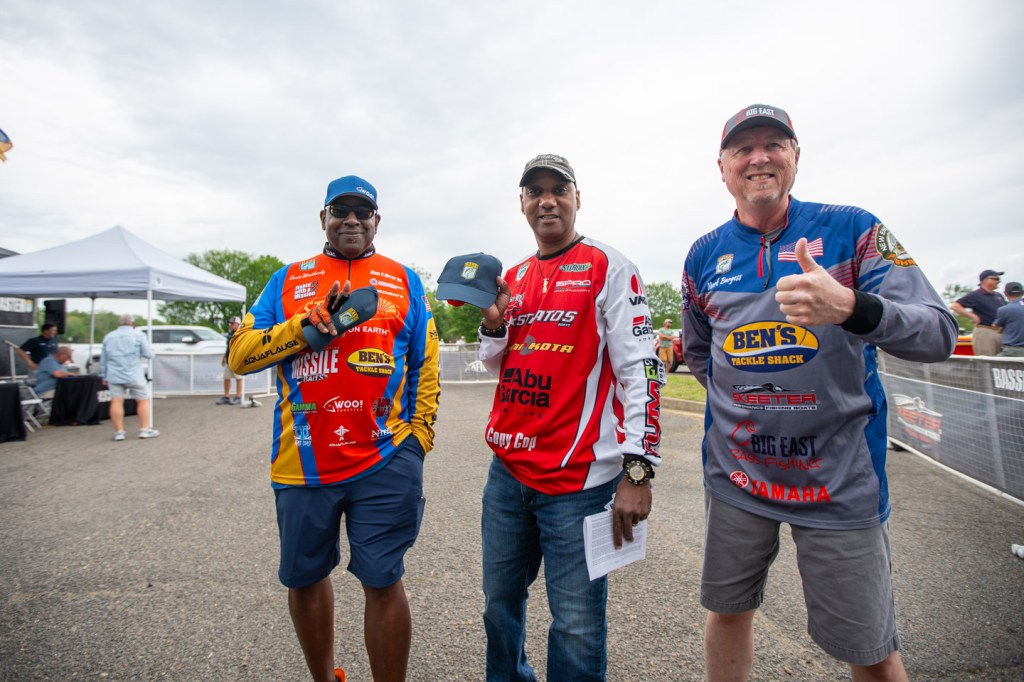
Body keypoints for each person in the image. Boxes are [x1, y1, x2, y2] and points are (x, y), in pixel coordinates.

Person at [682, 104, 957, 682]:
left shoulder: (852, 229)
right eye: (743, 148)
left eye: (773, 144)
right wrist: (757, 401)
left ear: (796, 156)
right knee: (727, 612)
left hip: (839, 482)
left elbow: (939, 333)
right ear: (722, 166)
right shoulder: (704, 254)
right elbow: (702, 355)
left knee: (871, 650)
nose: (759, 157)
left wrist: (854, 308)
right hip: (737, 479)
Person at [228, 175, 440, 682]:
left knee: (383, 580)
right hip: (302, 460)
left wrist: (418, 439)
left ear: (376, 221)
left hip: (386, 458)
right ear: (323, 217)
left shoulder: (405, 280)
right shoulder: (287, 279)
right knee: (304, 579)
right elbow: (240, 356)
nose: (351, 220)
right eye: (340, 210)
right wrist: (304, 328)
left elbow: (424, 364)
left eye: (362, 211)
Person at [477, 154, 662, 681]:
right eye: (534, 191)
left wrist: (638, 471)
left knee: (576, 624)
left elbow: (642, 371)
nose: (547, 201)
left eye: (558, 189)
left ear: (577, 198)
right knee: (498, 604)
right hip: (507, 473)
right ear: (522, 204)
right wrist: (494, 323)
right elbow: (496, 363)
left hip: (578, 480)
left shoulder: (610, 266)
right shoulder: (514, 276)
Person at [101, 314, 158, 441]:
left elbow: (104, 359)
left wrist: (104, 375)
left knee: (116, 401)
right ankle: (144, 430)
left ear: (118, 323)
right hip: (134, 373)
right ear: (133, 324)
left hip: (114, 373)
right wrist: (153, 353)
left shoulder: (109, 336)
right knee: (142, 400)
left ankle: (119, 432)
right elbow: (147, 354)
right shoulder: (139, 335)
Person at [951, 270, 1008, 356]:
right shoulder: (976, 295)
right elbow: (955, 306)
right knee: (987, 360)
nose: (998, 281)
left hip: (1001, 333)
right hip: (985, 332)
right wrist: (972, 316)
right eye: (996, 278)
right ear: (985, 280)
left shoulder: (999, 295)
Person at [217, 316, 244, 405]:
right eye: (230, 323)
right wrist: (224, 357)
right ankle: (226, 396)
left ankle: (238, 396)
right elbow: (228, 347)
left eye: (232, 323)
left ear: (238, 324)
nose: (230, 325)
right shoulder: (230, 334)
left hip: (237, 361)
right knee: (226, 377)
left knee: (238, 378)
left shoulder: (240, 333)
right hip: (229, 360)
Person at [993, 281, 1024, 357]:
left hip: (1012, 351)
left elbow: (997, 327)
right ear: (1022, 292)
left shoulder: (1004, 309)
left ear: (1005, 293)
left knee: (991, 363)